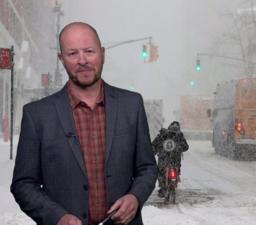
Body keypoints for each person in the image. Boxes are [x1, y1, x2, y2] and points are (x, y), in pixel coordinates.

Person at [10, 22, 158, 225]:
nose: (83, 60)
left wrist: (135, 197)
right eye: (72, 53)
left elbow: (147, 168)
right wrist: (57, 218)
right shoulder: (37, 115)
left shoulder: (132, 105)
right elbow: (23, 184)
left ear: (102, 53)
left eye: (89, 51)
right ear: (61, 59)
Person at [152, 121, 189, 197]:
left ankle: (162, 188)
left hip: (163, 159)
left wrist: (152, 153)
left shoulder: (162, 135)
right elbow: (186, 147)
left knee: (161, 173)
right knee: (175, 171)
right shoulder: (179, 136)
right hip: (175, 160)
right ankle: (171, 185)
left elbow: (154, 145)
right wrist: (179, 147)